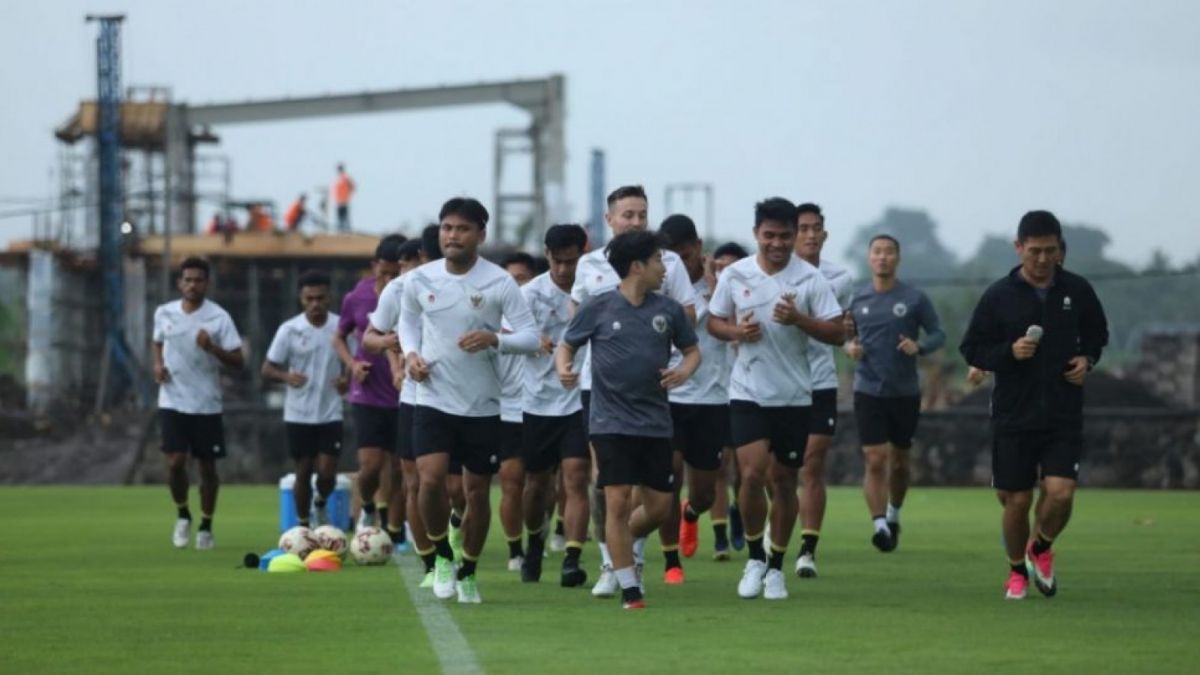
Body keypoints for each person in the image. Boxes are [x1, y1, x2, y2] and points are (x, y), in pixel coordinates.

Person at [960, 211, 1107, 600]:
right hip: (1013, 413)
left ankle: (1040, 548)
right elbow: (972, 348)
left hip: (1063, 411)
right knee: (1017, 500)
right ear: (1019, 248)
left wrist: (1086, 360)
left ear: (1061, 250)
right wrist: (1009, 351)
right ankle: (1015, 572)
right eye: (1035, 251)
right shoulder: (998, 296)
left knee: (1061, 492)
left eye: (1051, 251)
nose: (1043, 259)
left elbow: (1097, 335)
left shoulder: (1077, 290)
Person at [399, 197, 540, 604]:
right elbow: (407, 323)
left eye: (462, 229)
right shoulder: (420, 280)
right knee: (429, 480)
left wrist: (494, 338)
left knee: (477, 493)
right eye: (447, 228)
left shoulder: (499, 283)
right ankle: (442, 556)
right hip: (432, 398)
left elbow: (530, 338)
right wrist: (411, 355)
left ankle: (469, 571)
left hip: (482, 406)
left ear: (481, 234)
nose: (452, 236)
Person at [707, 197, 843, 601]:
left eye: (786, 235)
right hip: (747, 391)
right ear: (756, 235)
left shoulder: (809, 279)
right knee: (750, 475)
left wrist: (798, 319)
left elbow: (838, 333)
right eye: (770, 236)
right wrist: (736, 333)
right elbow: (714, 322)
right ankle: (752, 556)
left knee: (783, 481)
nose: (778, 244)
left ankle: (776, 566)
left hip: (795, 396)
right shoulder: (735, 274)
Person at [557, 230, 701, 609]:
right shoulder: (598, 307)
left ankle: (620, 544)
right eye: (657, 261)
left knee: (659, 507)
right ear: (637, 266)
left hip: (655, 423)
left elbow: (692, 351)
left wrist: (684, 372)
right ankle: (629, 587)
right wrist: (564, 368)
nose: (664, 268)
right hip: (609, 423)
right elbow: (567, 343)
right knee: (617, 502)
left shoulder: (668, 310)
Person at [844, 234, 945, 553]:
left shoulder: (914, 298)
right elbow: (846, 337)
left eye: (889, 252)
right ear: (869, 258)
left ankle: (894, 514)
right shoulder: (857, 300)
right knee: (875, 459)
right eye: (877, 252)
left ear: (897, 258)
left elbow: (939, 333)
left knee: (899, 462)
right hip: (868, 389)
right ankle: (879, 526)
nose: (883, 257)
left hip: (904, 391)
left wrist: (920, 346)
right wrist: (851, 347)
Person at [656, 214, 731, 583]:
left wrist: (719, 290)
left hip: (712, 397)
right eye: (672, 258)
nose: (679, 266)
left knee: (703, 491)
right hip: (669, 394)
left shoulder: (724, 281)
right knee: (668, 476)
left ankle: (691, 514)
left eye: (686, 257)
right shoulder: (658, 285)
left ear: (698, 249)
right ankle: (671, 562)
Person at [152, 257, 244, 550]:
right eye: (188, 279)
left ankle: (206, 524)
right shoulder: (164, 312)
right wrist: (157, 365)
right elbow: (157, 342)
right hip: (172, 399)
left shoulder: (218, 318)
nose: (193, 285)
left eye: (199, 280)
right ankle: (182, 514)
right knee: (175, 462)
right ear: (180, 282)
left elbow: (239, 361)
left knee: (207, 469)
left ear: (207, 283)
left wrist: (212, 347)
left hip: (206, 404)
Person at [518, 224, 592, 587]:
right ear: (546, 256)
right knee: (535, 485)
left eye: (571, 261)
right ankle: (534, 542)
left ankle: (572, 559)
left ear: (584, 253)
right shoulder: (529, 294)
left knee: (577, 477)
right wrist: (531, 341)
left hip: (580, 400)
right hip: (537, 401)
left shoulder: (595, 289)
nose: (564, 270)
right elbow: (505, 335)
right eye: (557, 261)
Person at [364, 237, 435, 582]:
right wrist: (394, 349)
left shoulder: (464, 286)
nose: (409, 270)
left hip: (466, 403)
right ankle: (432, 562)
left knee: (457, 489)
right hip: (413, 398)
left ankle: (453, 550)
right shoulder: (399, 289)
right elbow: (370, 337)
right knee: (416, 481)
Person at [792, 203, 855, 577]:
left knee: (813, 463)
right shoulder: (775, 276)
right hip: (779, 385)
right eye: (803, 228)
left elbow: (840, 327)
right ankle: (779, 520)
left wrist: (846, 337)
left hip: (821, 380)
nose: (811, 235)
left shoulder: (841, 278)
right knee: (775, 471)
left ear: (825, 234)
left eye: (816, 228)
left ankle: (807, 550)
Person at [262, 270, 347, 527]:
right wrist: (286, 377)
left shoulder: (341, 328)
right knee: (303, 470)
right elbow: (267, 369)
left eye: (320, 298)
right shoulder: (289, 330)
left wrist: (348, 381)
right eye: (309, 298)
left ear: (329, 298)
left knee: (327, 472)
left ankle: (320, 503)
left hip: (330, 410)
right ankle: (301, 524)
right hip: (298, 412)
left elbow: (356, 364)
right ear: (301, 298)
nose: (315, 304)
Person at [334, 235, 405, 535]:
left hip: (404, 393)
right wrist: (352, 365)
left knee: (400, 468)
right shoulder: (356, 298)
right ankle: (367, 506)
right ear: (374, 266)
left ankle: (394, 527)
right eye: (384, 271)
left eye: (395, 273)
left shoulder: (411, 296)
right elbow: (338, 336)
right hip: (367, 393)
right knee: (371, 465)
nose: (389, 279)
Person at [707, 241, 750, 557]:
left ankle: (740, 513)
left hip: (747, 393)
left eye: (731, 266)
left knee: (746, 469)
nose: (725, 272)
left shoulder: (752, 303)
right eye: (719, 266)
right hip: (715, 394)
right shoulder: (708, 299)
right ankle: (719, 534)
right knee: (719, 467)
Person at [498, 251, 538, 572]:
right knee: (512, 481)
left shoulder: (543, 312)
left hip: (544, 407)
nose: (516, 287)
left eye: (522, 279)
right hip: (506, 410)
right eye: (510, 281)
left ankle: (541, 534)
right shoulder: (489, 318)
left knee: (544, 485)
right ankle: (515, 549)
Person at [332, 164, 355, 232]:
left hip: (344, 201)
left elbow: (352, 186)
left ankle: (347, 231)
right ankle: (340, 231)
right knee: (340, 218)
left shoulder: (345, 178)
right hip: (339, 201)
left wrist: (347, 195)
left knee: (345, 217)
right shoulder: (339, 179)